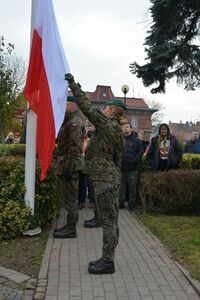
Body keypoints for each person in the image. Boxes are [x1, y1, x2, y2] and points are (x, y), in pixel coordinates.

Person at [65, 73, 126, 275]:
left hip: (105, 180)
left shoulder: (108, 125)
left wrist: (74, 86)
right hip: (108, 179)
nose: (103, 110)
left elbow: (87, 108)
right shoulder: (114, 128)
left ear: (113, 112)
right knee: (110, 221)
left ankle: (108, 262)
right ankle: (106, 258)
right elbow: (118, 157)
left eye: (106, 108)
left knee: (109, 222)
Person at [53, 96, 85, 239]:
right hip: (67, 163)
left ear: (73, 106)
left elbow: (75, 147)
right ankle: (69, 225)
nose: (63, 107)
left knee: (71, 198)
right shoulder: (68, 121)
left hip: (70, 165)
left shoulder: (74, 123)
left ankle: (71, 228)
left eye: (66, 104)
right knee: (68, 197)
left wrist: (67, 166)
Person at [119, 121, 144, 211]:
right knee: (121, 188)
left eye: (127, 127)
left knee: (132, 188)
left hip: (132, 169)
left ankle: (132, 205)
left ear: (131, 129)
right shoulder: (119, 139)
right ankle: (120, 203)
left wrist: (134, 161)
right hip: (121, 168)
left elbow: (140, 152)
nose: (125, 128)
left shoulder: (136, 140)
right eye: (123, 127)